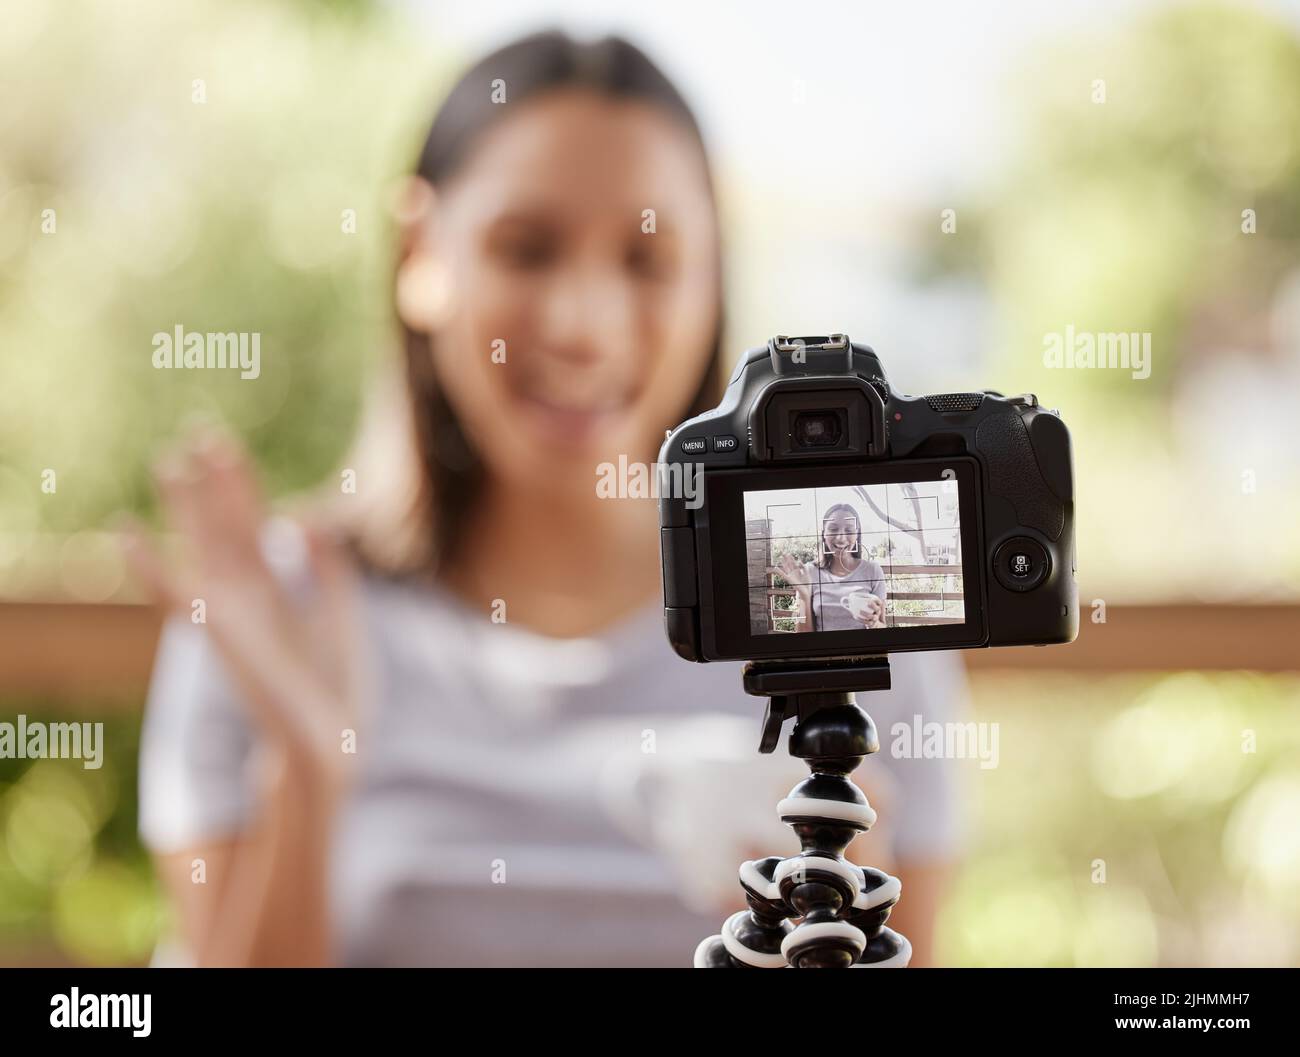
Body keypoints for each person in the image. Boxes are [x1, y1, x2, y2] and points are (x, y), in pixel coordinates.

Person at [124, 29, 969, 968]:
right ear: (420, 252)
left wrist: (847, 926)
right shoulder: (273, 609)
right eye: (526, 250)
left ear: (711, 277)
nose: (582, 325)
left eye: (646, 261)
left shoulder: (838, 605)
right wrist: (307, 771)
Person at [780, 502, 888, 632]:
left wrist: (874, 624)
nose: (840, 538)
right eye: (833, 529)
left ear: (857, 534)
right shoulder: (809, 572)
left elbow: (883, 626)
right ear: (824, 534)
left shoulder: (873, 571)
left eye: (848, 530)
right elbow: (802, 634)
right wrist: (803, 596)